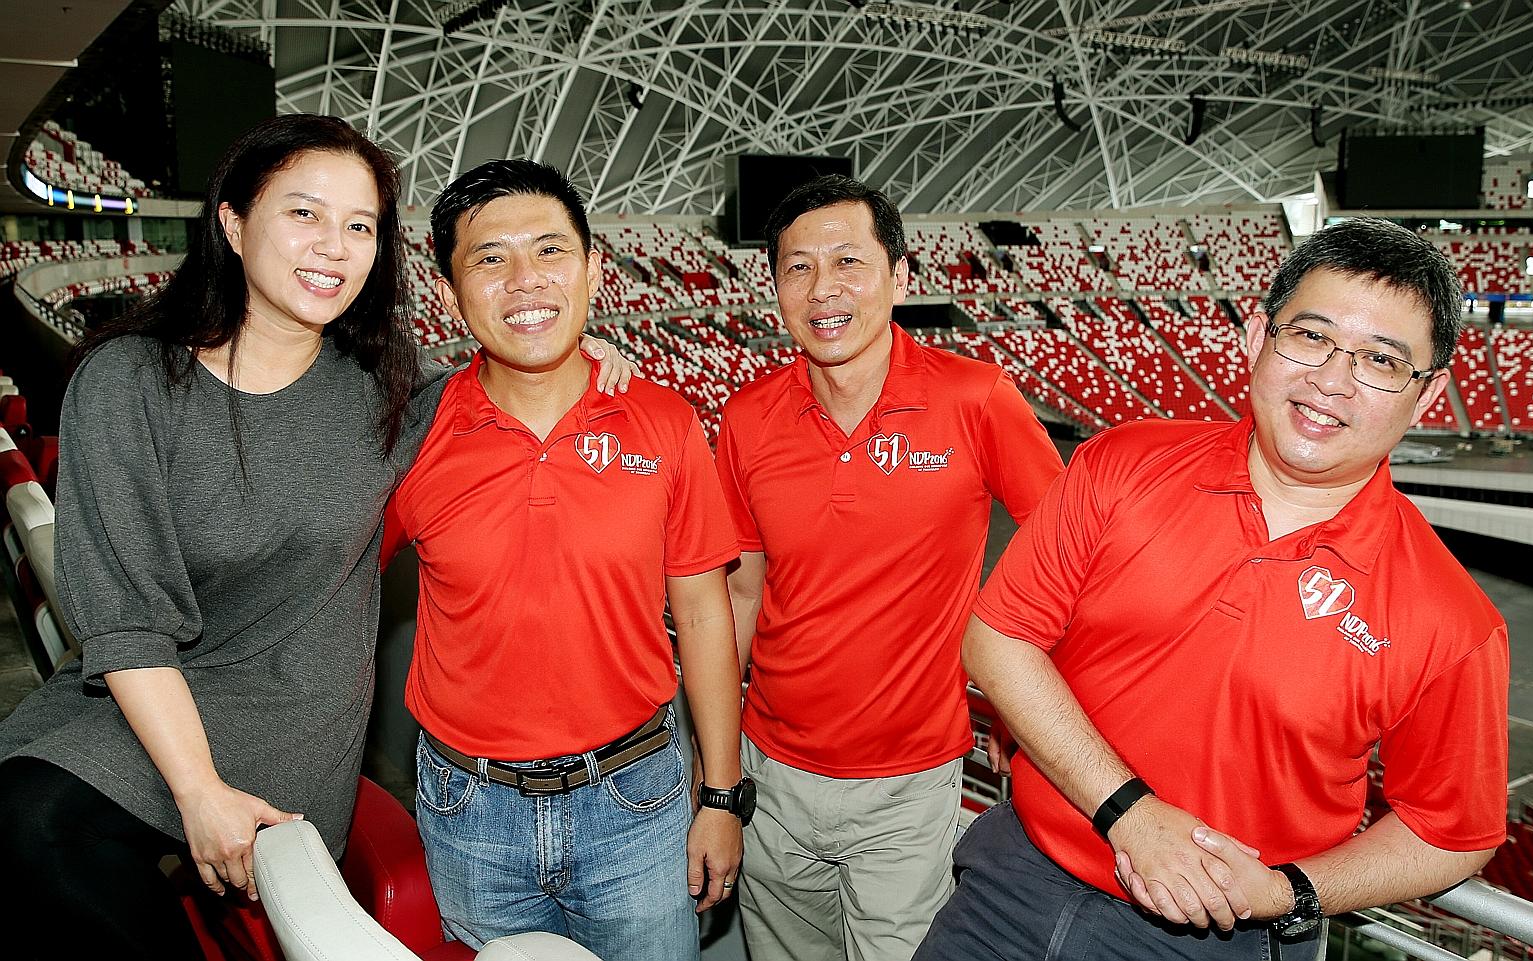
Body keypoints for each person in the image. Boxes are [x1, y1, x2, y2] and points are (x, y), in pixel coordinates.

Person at [0, 115, 633, 959]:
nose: (334, 246)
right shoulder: (127, 382)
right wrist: (198, 791)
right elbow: (125, 619)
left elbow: (500, 381)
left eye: (360, 226)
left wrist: (580, 344)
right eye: (304, 213)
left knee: (33, 833)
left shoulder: (383, 385)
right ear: (231, 222)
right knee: (21, 826)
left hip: (291, 719)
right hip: (144, 698)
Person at [914, 218, 1509, 961]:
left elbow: (1450, 834)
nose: (1332, 379)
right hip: (1012, 883)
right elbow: (999, 636)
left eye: (1381, 360)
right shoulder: (1119, 463)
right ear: (1256, 337)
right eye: (1312, 336)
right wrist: (1130, 813)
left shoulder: (1454, 622)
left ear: (1428, 396)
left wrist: (1287, 889)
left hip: (1224, 938)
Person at [381, 158, 747, 961]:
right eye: (490, 258)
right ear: (449, 293)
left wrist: (722, 793)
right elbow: (322, 584)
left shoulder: (662, 421)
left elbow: (703, 614)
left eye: (550, 251)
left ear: (592, 269)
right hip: (468, 806)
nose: (525, 281)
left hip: (638, 799)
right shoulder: (411, 434)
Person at [715, 175, 1063, 961]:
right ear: (775, 287)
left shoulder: (977, 398)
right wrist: (716, 760)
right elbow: (741, 590)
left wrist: (1024, 710)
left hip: (909, 784)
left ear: (900, 277)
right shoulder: (746, 418)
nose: (823, 288)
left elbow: (1066, 554)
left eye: (848, 261)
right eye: (798, 267)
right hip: (770, 777)